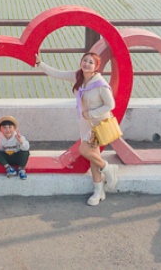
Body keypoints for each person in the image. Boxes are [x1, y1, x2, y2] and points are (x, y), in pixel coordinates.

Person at [35, 52, 119, 206]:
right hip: (86, 124)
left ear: (96, 67)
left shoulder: (100, 84)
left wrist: (91, 113)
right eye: (85, 60)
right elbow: (57, 74)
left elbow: (110, 105)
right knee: (93, 157)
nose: (87, 64)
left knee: (85, 150)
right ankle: (98, 190)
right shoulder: (77, 77)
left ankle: (108, 169)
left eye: (91, 62)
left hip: (99, 124)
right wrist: (40, 64)